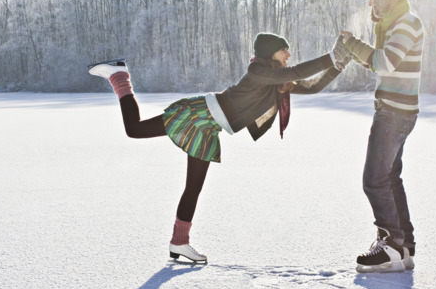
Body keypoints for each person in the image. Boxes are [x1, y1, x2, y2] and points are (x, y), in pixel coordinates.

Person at [88, 33, 353, 263]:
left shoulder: (276, 82)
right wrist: (331, 55)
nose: (289, 54)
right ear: (270, 52)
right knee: (135, 129)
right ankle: (119, 76)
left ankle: (179, 242)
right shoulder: (258, 71)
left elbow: (313, 85)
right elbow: (294, 72)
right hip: (199, 114)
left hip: (209, 128)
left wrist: (338, 64)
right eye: (285, 49)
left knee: (194, 186)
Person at [340, 0, 425, 273]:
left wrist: (354, 46)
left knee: (374, 180)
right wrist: (357, 48)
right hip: (396, 111)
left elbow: (386, 61)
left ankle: (389, 246)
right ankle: (403, 248)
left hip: (394, 113)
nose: (371, 3)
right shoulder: (397, 23)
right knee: (389, 179)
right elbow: (382, 62)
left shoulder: (406, 23)